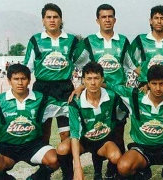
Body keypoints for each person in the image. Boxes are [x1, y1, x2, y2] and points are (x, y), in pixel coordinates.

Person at [105, 65, 163, 179]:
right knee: (123, 167)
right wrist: (82, 87)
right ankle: (143, 173)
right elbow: (110, 85)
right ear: (148, 83)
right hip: (141, 148)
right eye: (154, 83)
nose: (158, 88)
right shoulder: (135, 96)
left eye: (162, 83)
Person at [71, 4, 132, 180]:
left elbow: (132, 65)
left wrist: (148, 81)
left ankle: (114, 170)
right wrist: (81, 85)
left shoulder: (123, 41)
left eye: (110, 16)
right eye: (103, 17)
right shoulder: (89, 41)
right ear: (97, 20)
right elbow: (78, 63)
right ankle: (97, 171)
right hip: (96, 93)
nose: (107, 20)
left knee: (117, 134)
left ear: (115, 19)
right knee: (96, 130)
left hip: (117, 96)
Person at [23, 3, 80, 180]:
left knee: (66, 134)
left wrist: (81, 86)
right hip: (42, 90)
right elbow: (26, 68)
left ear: (61, 19)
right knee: (44, 134)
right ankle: (44, 172)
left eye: (55, 17)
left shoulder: (72, 41)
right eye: (48, 17)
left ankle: (68, 173)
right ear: (43, 20)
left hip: (64, 90)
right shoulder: (35, 40)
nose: (52, 20)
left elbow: (86, 65)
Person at [0, 64, 59, 180]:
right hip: (7, 147)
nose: (20, 83)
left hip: (33, 145)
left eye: (23, 79)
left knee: (54, 160)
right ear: (9, 81)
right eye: (16, 79)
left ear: (29, 80)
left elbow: (66, 107)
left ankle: (36, 178)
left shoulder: (42, 99)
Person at [57, 62, 122, 180]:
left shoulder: (113, 97)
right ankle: (69, 176)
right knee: (62, 148)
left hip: (104, 141)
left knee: (116, 156)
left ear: (102, 79)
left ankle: (108, 173)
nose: (93, 82)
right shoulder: (75, 102)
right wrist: (78, 167)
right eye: (89, 79)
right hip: (84, 141)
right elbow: (75, 134)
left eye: (96, 78)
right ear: (83, 80)